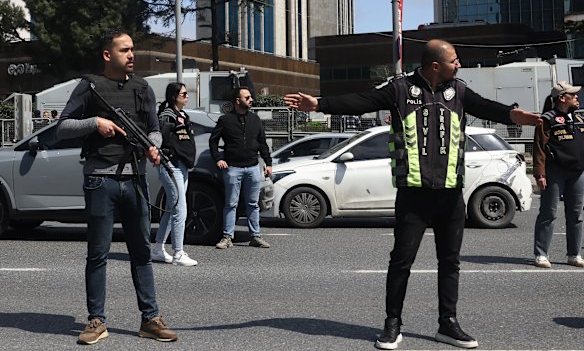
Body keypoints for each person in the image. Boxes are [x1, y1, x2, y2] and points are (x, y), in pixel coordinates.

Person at [283, 39, 541, 350]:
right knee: (401, 261)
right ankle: (392, 323)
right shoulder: (401, 90)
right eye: (454, 61)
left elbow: (489, 108)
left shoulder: (458, 91)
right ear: (436, 65)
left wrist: (517, 116)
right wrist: (319, 104)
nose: (458, 65)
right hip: (413, 195)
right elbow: (361, 100)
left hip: (450, 193)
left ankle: (448, 324)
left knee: (450, 261)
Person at [56, 28, 177, 345]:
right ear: (107, 55)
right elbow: (63, 126)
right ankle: (96, 321)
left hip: (135, 179)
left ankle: (150, 319)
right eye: (125, 50)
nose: (132, 54)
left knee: (142, 254)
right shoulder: (90, 87)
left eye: (133, 49)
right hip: (100, 180)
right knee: (97, 255)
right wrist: (95, 123)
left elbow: (154, 129)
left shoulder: (143, 88)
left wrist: (153, 146)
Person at [209, 87, 272, 249]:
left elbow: (262, 143)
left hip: (253, 168)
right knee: (231, 204)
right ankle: (227, 237)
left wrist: (268, 163)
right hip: (233, 168)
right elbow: (213, 141)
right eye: (247, 97)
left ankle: (255, 236)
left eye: (251, 97)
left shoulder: (255, 120)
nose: (251, 99)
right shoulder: (225, 120)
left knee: (253, 204)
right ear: (238, 101)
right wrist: (218, 159)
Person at [532, 81, 584, 269]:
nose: (576, 97)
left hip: (577, 172)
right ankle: (541, 254)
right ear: (562, 98)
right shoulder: (547, 119)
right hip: (555, 172)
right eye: (573, 94)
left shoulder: (579, 119)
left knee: (576, 214)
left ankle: (574, 254)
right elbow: (539, 148)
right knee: (549, 213)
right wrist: (540, 174)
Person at [150, 82, 198, 267]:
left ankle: (158, 249)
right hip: (170, 165)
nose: (187, 96)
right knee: (180, 209)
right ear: (174, 96)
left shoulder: (182, 115)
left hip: (182, 166)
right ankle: (178, 252)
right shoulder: (166, 116)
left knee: (172, 208)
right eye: (183, 94)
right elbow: (159, 141)